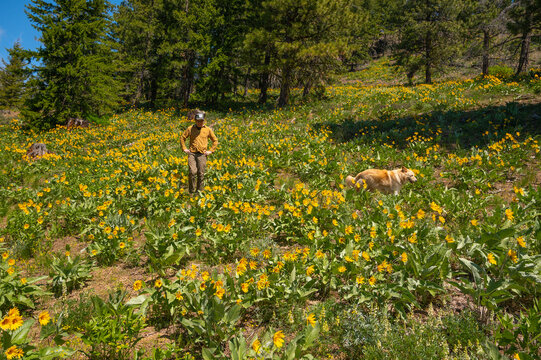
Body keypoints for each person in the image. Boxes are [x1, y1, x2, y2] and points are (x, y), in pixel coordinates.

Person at [180, 110, 218, 194]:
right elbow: (182, 138)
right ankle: (191, 191)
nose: (200, 123)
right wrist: (184, 148)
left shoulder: (207, 129)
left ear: (203, 121)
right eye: (198, 121)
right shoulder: (190, 129)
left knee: (201, 173)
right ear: (195, 121)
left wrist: (211, 151)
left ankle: (199, 192)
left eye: (201, 121)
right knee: (192, 172)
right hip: (192, 153)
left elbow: (215, 140)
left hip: (202, 154)